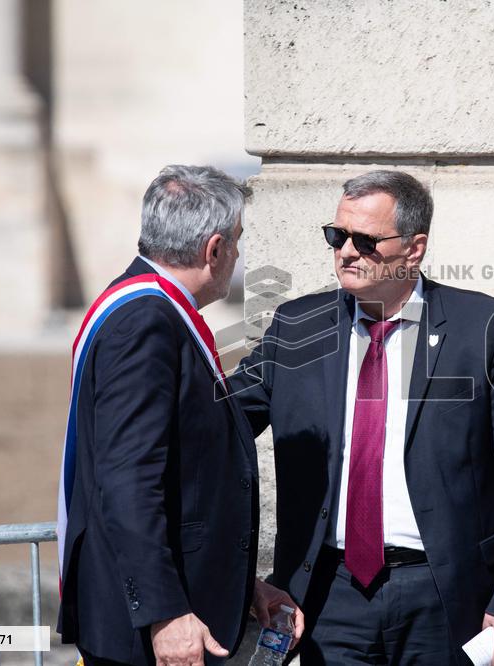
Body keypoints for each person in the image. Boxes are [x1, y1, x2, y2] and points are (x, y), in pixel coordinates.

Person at [228, 169, 494, 665]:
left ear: (414, 247)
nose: (346, 252)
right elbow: (215, 432)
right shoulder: (296, 327)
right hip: (324, 597)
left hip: (444, 596)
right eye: (337, 236)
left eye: (365, 240)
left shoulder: (485, 328)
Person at [56, 165, 303, 666]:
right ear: (214, 249)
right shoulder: (146, 322)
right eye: (236, 241)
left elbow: (186, 457)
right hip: (151, 631)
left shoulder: (144, 304)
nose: (237, 254)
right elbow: (128, 481)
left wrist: (241, 584)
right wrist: (165, 613)